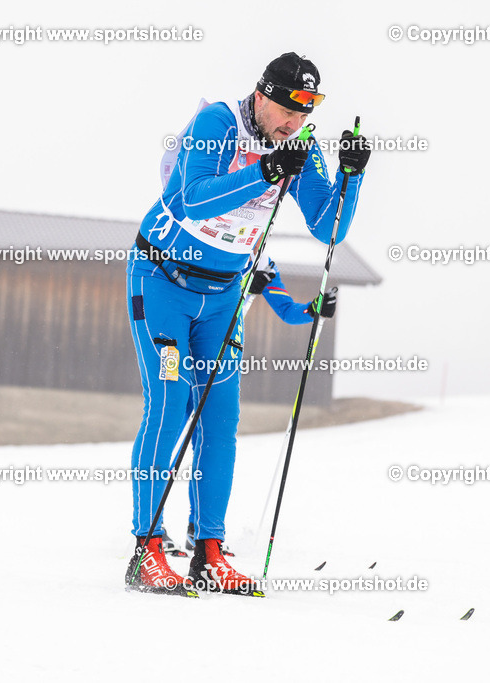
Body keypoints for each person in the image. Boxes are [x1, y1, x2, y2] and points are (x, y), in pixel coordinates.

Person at [125, 52, 370, 596]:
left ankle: (209, 551)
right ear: (261, 95)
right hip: (164, 284)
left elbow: (328, 228)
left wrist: (351, 176)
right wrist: (264, 170)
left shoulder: (299, 149)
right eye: (285, 111)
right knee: (168, 402)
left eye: (303, 116)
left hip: (222, 299)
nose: (292, 125)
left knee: (221, 418)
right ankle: (147, 548)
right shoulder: (218, 122)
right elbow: (192, 201)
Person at [159, 259, 339, 559]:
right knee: (170, 437)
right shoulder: (214, 248)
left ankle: (198, 529)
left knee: (209, 444)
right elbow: (212, 302)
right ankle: (154, 528)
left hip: (218, 361)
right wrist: (246, 289)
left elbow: (288, 312)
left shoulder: (266, 266)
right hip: (186, 349)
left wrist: (314, 309)